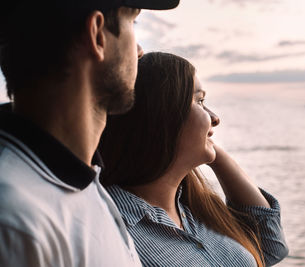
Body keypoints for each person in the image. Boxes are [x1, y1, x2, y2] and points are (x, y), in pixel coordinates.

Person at [0, 1, 179, 266]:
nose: (140, 51)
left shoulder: (78, 177)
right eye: (133, 23)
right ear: (97, 35)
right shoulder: (17, 220)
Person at [99, 52, 289, 266]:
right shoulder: (112, 228)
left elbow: (271, 247)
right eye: (199, 101)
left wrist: (214, 154)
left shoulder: (197, 210)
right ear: (163, 116)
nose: (215, 117)